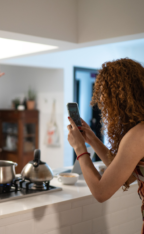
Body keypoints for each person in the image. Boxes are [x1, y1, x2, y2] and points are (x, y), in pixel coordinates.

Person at [67, 58, 144, 232]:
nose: (102, 103)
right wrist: (93, 140)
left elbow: (101, 193)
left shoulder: (139, 135)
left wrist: (79, 149)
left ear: (120, 96)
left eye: (105, 96)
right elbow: (128, 175)